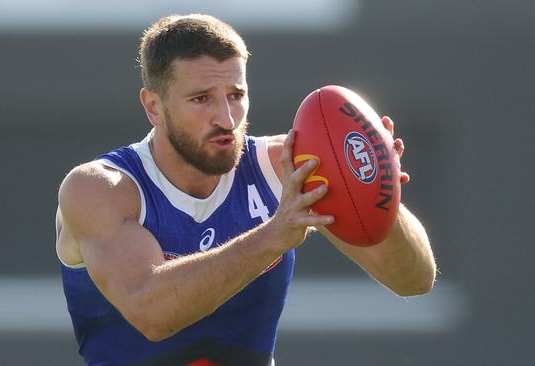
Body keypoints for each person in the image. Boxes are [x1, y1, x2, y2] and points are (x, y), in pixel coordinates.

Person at [56, 13, 436, 366]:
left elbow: (413, 280)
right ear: (154, 107)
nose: (226, 118)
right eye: (201, 99)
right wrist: (272, 236)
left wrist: (376, 191)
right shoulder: (101, 188)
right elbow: (151, 312)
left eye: (236, 95)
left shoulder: (284, 167)